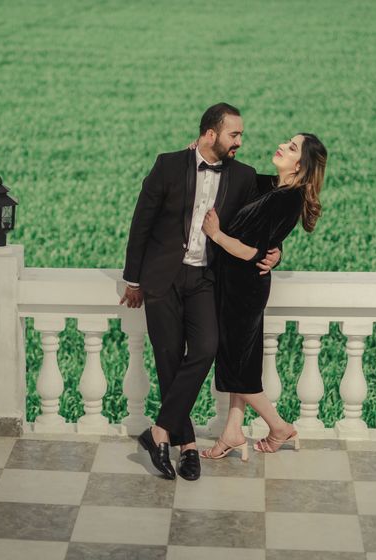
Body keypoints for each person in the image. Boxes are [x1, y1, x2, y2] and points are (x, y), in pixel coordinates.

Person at [119, 103, 281, 480]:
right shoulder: (167, 165)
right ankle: (187, 446)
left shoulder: (242, 177)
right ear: (211, 134)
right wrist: (134, 280)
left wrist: (275, 252)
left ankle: (159, 432)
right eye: (234, 134)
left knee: (207, 347)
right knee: (169, 361)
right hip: (163, 281)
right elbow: (141, 222)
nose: (240, 141)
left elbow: (268, 218)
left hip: (207, 280)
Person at [199, 132, 327, 460]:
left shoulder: (286, 198)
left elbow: (250, 251)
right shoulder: (275, 188)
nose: (282, 146)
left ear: (300, 165)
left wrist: (215, 235)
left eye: (292, 147)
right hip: (240, 285)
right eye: (287, 142)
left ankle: (279, 426)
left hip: (243, 287)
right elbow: (266, 236)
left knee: (234, 368)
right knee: (243, 363)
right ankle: (232, 431)